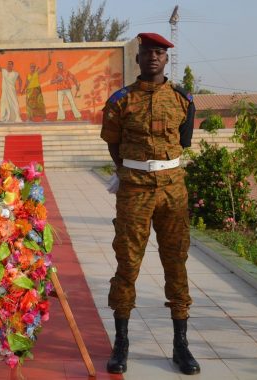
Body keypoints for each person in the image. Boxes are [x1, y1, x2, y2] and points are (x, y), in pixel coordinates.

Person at [100, 32, 199, 376]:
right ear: (138, 58)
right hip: (135, 189)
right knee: (127, 263)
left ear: (166, 59)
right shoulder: (120, 101)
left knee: (176, 262)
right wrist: (131, 170)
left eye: (159, 52)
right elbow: (113, 144)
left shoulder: (183, 100)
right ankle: (121, 342)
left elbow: (184, 142)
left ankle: (180, 345)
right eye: (148, 52)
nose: (154, 57)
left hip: (173, 189)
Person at [21, 51, 52, 121]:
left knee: (40, 103)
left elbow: (44, 69)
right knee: (29, 105)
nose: (33, 67)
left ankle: (44, 118)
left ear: (35, 67)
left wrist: (48, 64)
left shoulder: (37, 72)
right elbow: (26, 83)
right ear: (30, 67)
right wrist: (23, 90)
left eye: (34, 67)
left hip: (37, 89)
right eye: (31, 67)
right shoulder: (28, 75)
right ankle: (29, 118)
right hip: (29, 90)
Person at [0, 52, 22, 122]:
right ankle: (3, 118)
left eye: (10, 64)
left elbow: (20, 80)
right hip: (5, 92)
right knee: (4, 104)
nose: (8, 65)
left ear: (12, 65)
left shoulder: (15, 73)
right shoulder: (4, 71)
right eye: (8, 64)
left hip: (12, 91)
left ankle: (16, 117)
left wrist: (19, 89)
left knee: (15, 104)